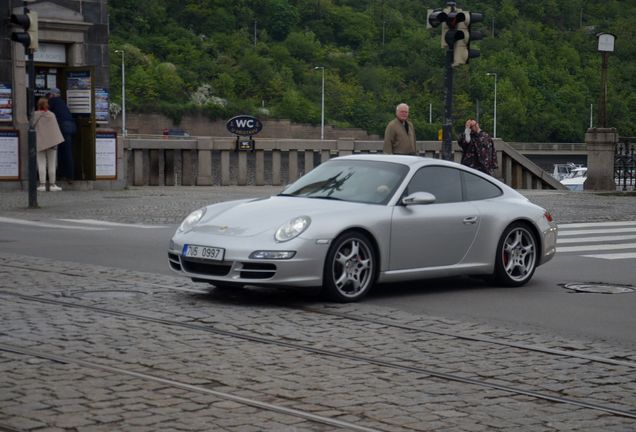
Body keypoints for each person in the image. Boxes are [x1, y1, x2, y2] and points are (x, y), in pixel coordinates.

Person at [33, 98, 65, 191]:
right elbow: (55, 129)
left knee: (41, 163)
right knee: (52, 164)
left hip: (40, 142)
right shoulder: (52, 115)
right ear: (47, 105)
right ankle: (52, 185)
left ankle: (42, 185)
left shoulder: (35, 115)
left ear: (38, 105)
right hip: (52, 142)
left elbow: (31, 126)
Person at [47, 87, 76, 180]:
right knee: (64, 151)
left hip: (63, 127)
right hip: (71, 126)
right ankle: (64, 174)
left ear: (52, 94)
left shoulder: (52, 101)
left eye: (49, 95)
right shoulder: (62, 102)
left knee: (65, 151)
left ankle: (67, 175)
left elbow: (45, 113)